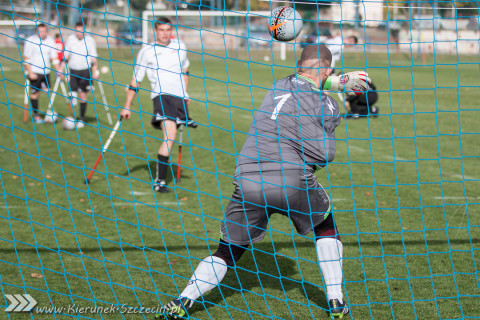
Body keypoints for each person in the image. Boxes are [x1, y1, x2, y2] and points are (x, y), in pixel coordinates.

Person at [158, 45, 370, 319]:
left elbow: (310, 75)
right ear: (329, 69)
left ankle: (183, 300)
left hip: (247, 179)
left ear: (297, 64)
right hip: (292, 181)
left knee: (227, 251)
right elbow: (324, 154)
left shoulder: (278, 85)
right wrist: (337, 89)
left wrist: (337, 81)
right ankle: (336, 300)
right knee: (325, 227)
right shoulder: (327, 104)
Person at [120, 17, 196, 194]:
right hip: (161, 97)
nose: (165, 33)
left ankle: (161, 178)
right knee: (170, 135)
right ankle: (160, 181)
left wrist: (185, 93)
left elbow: (185, 71)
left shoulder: (180, 46)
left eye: (168, 30)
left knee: (172, 136)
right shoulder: (147, 51)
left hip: (179, 98)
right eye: (161, 30)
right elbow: (135, 80)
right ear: (155, 31)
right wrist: (127, 106)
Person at [23, 23, 61, 123]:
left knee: (48, 91)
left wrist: (59, 70)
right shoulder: (30, 40)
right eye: (40, 32)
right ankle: (36, 116)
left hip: (46, 72)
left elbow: (54, 58)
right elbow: (26, 58)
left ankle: (49, 114)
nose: (42, 34)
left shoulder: (50, 41)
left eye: (44, 31)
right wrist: (30, 72)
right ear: (36, 31)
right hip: (34, 72)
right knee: (35, 94)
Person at [64, 21, 98, 126]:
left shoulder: (90, 40)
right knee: (72, 94)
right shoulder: (70, 39)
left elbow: (94, 57)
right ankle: (73, 114)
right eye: (77, 31)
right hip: (73, 70)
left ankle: (81, 119)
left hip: (85, 70)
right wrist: (61, 69)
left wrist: (95, 71)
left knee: (83, 95)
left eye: (81, 31)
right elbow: (66, 55)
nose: (79, 33)